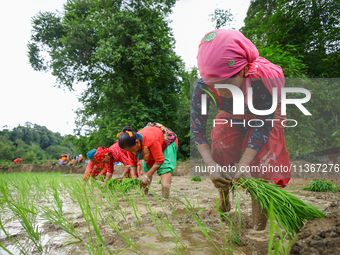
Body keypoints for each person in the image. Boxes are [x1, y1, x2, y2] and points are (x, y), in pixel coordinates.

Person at [192, 29, 291, 230]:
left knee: (262, 163)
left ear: (244, 70)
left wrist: (245, 163)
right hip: (231, 113)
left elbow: (262, 127)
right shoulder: (202, 87)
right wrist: (210, 164)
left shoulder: (262, 81)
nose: (220, 91)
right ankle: (224, 198)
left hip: (264, 114)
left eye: (227, 83)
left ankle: (259, 228)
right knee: (220, 142)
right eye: (214, 85)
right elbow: (198, 129)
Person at [118, 123, 178, 199]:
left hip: (166, 143)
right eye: (129, 151)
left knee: (164, 170)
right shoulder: (130, 146)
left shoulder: (150, 140)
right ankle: (144, 196)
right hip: (151, 144)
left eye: (132, 150)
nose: (132, 152)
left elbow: (159, 160)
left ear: (137, 142)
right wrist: (134, 177)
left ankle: (165, 198)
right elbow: (132, 163)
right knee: (146, 169)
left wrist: (146, 176)